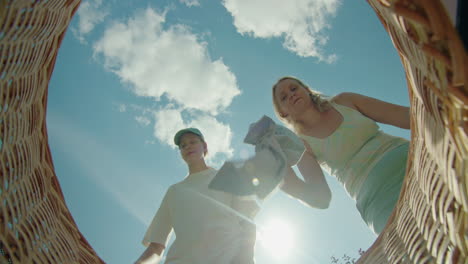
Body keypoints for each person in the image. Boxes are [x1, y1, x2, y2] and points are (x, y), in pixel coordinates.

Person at [272, 76, 410, 235]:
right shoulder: (302, 145)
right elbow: (320, 198)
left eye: (294, 88)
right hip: (379, 201)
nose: (291, 94)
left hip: (412, 163)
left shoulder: (345, 101)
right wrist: (282, 176)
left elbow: (404, 116)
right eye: (283, 97)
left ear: (306, 90)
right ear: (282, 113)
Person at [135, 128, 259, 264]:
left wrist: (245, 260)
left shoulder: (227, 176)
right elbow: (156, 247)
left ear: (204, 146)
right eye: (183, 145)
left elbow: (248, 223)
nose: (187, 146)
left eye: (192, 142)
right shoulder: (175, 191)